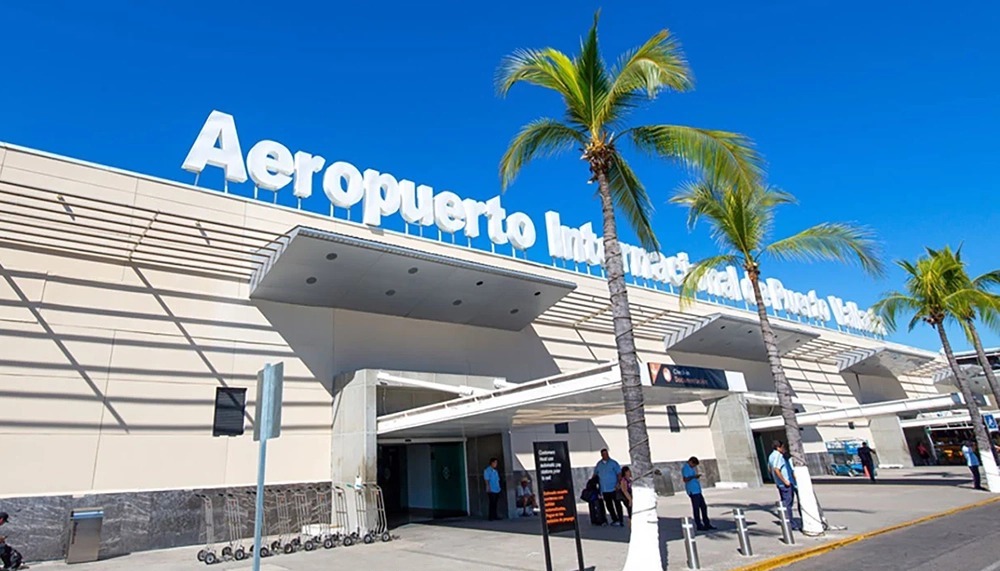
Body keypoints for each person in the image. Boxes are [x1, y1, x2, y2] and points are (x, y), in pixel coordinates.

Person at [768, 440, 798, 530]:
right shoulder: (778, 456)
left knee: (786, 503)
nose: (783, 449)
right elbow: (776, 469)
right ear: (778, 447)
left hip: (780, 484)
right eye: (782, 447)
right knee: (787, 504)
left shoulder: (771, 456)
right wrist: (784, 481)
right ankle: (790, 523)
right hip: (786, 484)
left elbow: (769, 469)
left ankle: (788, 522)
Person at [682, 456, 715, 531]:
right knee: (696, 508)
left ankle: (707, 523)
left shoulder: (691, 468)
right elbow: (685, 479)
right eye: (694, 465)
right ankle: (699, 525)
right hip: (693, 491)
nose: (694, 466)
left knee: (703, 507)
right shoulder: (685, 468)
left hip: (697, 490)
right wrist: (693, 477)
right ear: (690, 462)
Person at [593, 448, 624, 527]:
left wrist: (618, 483)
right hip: (604, 489)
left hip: (614, 488)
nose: (605, 455)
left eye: (606, 454)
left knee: (617, 504)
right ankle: (615, 519)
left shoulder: (613, 463)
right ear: (601, 455)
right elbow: (595, 474)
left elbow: (619, 473)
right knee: (609, 505)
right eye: (603, 454)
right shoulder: (599, 464)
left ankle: (621, 520)